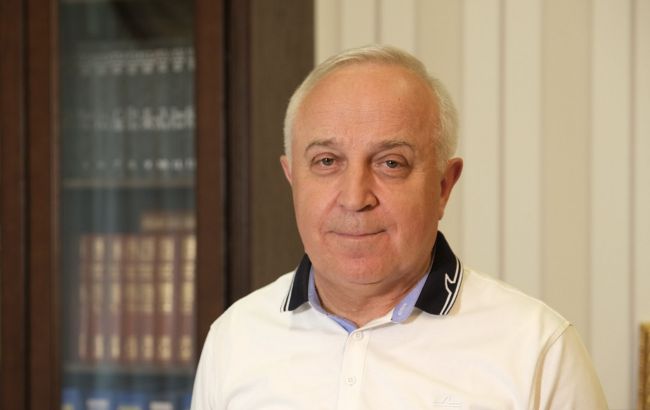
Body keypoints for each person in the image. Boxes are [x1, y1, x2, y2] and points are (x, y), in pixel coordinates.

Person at [191, 45, 608, 409]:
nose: (355, 197)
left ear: (443, 186)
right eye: (326, 162)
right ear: (292, 180)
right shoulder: (235, 338)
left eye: (391, 163)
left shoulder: (539, 350)